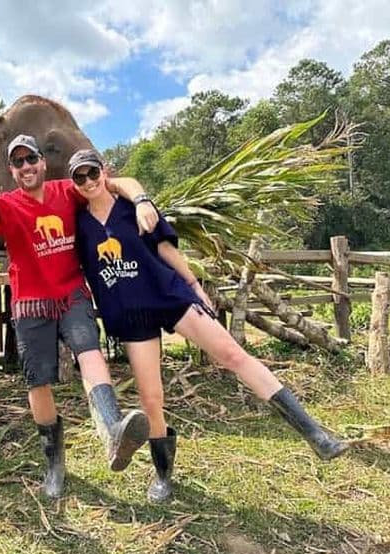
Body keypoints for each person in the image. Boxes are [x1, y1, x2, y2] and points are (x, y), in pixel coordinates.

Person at [68, 148, 349, 503]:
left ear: (104, 171)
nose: (89, 182)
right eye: (80, 177)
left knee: (233, 354)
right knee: (151, 398)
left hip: (168, 296)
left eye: (93, 173)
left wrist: (194, 285)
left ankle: (314, 433)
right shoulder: (78, 224)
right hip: (130, 315)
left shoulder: (133, 208)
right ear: (74, 183)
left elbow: (165, 249)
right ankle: (163, 475)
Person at [0, 135, 160, 498]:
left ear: (43, 163)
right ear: (12, 170)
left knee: (90, 352)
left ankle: (112, 429)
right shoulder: (8, 203)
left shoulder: (66, 190)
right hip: (31, 303)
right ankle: (54, 463)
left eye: (32, 160)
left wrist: (139, 199)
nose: (26, 166)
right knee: (37, 383)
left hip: (72, 293)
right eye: (19, 162)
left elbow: (108, 182)